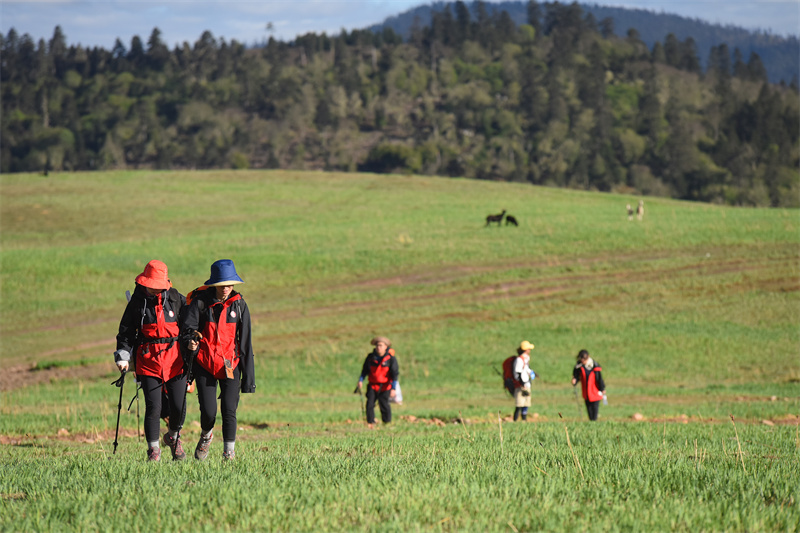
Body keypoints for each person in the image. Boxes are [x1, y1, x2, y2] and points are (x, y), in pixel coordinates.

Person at [114, 260, 189, 462]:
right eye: (152, 285)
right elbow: (126, 333)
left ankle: (173, 437)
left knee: (179, 407)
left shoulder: (177, 299)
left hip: (175, 361)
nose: (155, 289)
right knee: (153, 407)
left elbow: (190, 325)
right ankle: (153, 450)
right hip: (148, 361)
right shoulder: (137, 303)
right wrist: (123, 356)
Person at [181, 259, 255, 461]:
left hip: (231, 364)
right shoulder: (200, 303)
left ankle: (229, 453)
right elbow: (187, 329)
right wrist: (190, 342)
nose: (226, 289)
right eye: (222, 285)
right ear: (214, 284)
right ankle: (206, 436)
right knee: (209, 412)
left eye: (229, 284)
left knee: (229, 410)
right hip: (204, 364)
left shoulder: (240, 305)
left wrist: (248, 380)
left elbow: (246, 343)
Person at [355, 337, 399, 428]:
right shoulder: (370, 357)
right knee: (370, 404)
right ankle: (371, 422)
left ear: (386, 347)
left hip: (385, 386)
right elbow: (365, 370)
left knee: (384, 404)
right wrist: (360, 380)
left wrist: (393, 388)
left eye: (380, 345)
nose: (378, 347)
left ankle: (387, 423)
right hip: (372, 385)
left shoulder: (390, 359)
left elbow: (394, 374)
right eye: (377, 345)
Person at [571, 349, 606, 421]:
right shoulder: (579, 367)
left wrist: (602, 389)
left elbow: (599, 379)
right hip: (586, 392)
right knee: (589, 411)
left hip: (595, 391)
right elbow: (576, 376)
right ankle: (591, 422)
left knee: (594, 412)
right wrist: (575, 380)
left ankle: (594, 422)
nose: (583, 361)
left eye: (584, 359)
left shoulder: (595, 366)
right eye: (581, 359)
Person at [513, 341, 536, 421]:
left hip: (526, 384)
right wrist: (522, 383)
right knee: (519, 403)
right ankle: (515, 420)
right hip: (521, 385)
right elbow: (518, 372)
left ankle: (524, 419)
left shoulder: (525, 359)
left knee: (526, 403)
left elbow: (526, 369)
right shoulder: (519, 360)